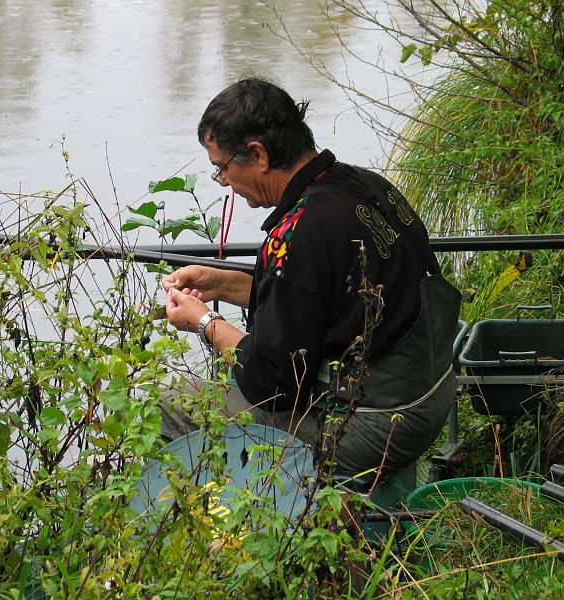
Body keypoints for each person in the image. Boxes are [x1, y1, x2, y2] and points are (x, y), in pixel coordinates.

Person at [161, 78, 461, 479]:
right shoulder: (364, 185)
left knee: (170, 406)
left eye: (222, 169)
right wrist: (222, 284)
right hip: (431, 395)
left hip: (373, 425)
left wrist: (203, 322)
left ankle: (224, 529)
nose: (225, 183)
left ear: (257, 154)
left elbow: (273, 381)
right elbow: (322, 302)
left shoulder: (301, 232)